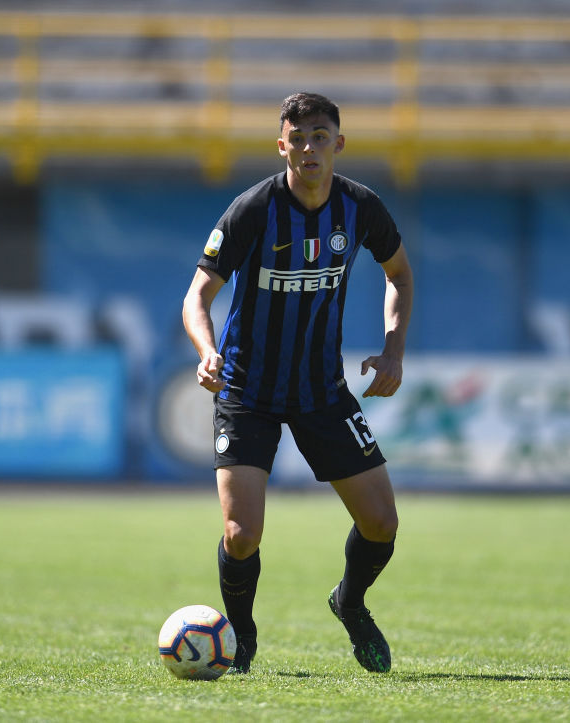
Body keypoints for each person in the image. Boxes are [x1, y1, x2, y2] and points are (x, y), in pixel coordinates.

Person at [181, 92, 414, 674]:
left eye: (320, 136)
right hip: (247, 391)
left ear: (339, 143)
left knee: (382, 524)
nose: (310, 148)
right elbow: (197, 296)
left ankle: (350, 603)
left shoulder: (361, 207)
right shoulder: (253, 210)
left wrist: (393, 349)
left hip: (321, 391)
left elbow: (400, 276)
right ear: (281, 145)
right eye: (299, 138)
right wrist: (207, 352)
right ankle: (241, 636)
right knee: (241, 534)